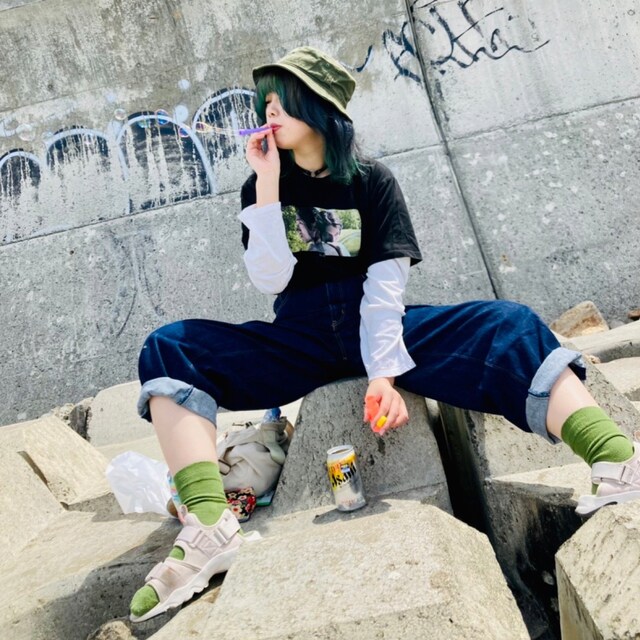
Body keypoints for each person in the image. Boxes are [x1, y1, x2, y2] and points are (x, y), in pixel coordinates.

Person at [128, 46, 640, 622]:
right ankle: (208, 527)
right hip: (299, 337)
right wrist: (267, 184)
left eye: (283, 100)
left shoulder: (373, 181)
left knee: (509, 323)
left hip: (378, 321)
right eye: (265, 102)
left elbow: (384, 290)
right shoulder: (261, 186)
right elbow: (270, 278)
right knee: (169, 346)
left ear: (319, 107)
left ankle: (619, 460)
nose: (269, 111)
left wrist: (383, 374)